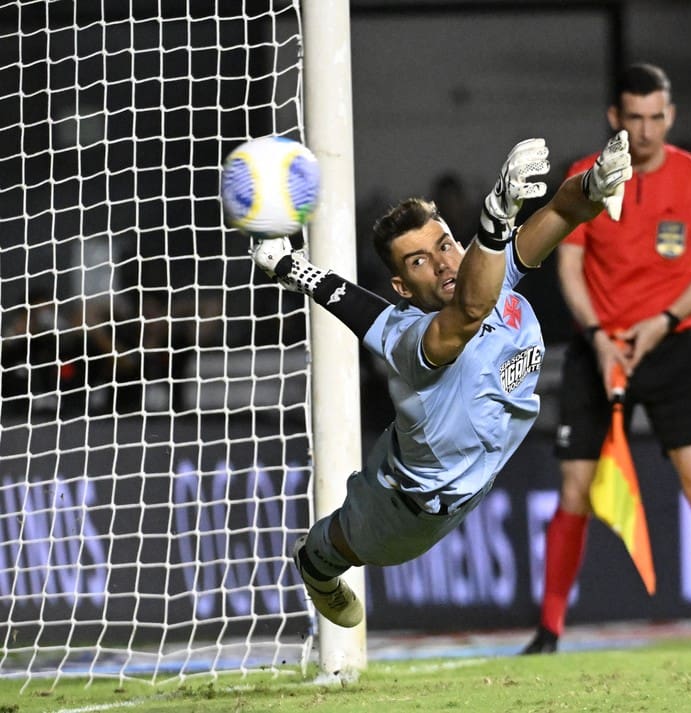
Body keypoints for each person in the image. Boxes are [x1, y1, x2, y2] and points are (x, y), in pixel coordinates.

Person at [251, 133, 631, 627]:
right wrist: (495, 220)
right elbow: (466, 314)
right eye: (418, 262)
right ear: (403, 288)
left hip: (442, 463)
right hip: (405, 514)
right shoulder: (415, 342)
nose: (441, 263)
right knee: (338, 543)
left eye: (444, 244)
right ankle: (314, 566)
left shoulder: (491, 272)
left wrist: (594, 183)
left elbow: (561, 211)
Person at [521, 63, 691, 654]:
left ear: (669, 116)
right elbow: (568, 265)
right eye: (635, 118)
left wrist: (665, 319)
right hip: (598, 348)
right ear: (615, 119)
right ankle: (548, 632)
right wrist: (596, 334)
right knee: (575, 487)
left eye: (656, 118)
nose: (646, 131)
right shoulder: (585, 179)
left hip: (671, 347)